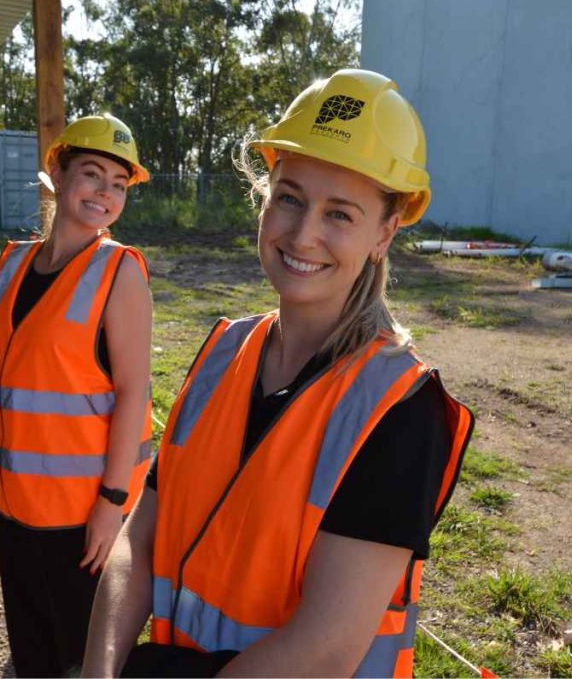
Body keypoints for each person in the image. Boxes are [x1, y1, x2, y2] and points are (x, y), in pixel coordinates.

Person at [82, 69, 474, 678]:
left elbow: (325, 647)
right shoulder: (222, 353)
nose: (303, 234)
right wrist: (100, 672)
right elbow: (141, 536)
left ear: (385, 231)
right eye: (289, 197)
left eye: (340, 214)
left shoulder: (399, 407)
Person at [0, 114, 154, 677]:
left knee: (83, 659)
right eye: (93, 174)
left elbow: (133, 392)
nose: (105, 193)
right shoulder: (12, 263)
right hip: (15, 504)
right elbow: (11, 370)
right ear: (56, 171)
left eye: (119, 184)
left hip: (80, 517)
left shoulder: (119, 272)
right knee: (33, 653)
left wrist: (110, 504)